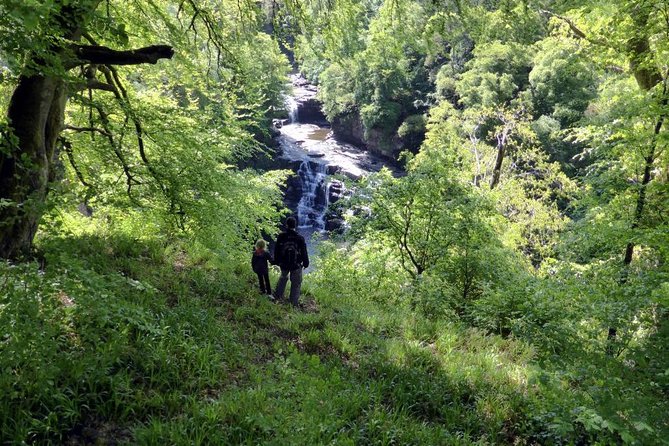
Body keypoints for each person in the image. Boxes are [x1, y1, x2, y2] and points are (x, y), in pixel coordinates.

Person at [273, 216, 309, 307]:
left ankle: (278, 296)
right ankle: (293, 302)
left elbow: (276, 250)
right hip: (296, 264)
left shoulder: (281, 236)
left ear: (286, 225)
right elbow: (304, 252)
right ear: (295, 225)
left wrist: (276, 261)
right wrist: (306, 263)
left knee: (283, 277)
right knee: (296, 283)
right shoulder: (300, 238)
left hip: (284, 263)